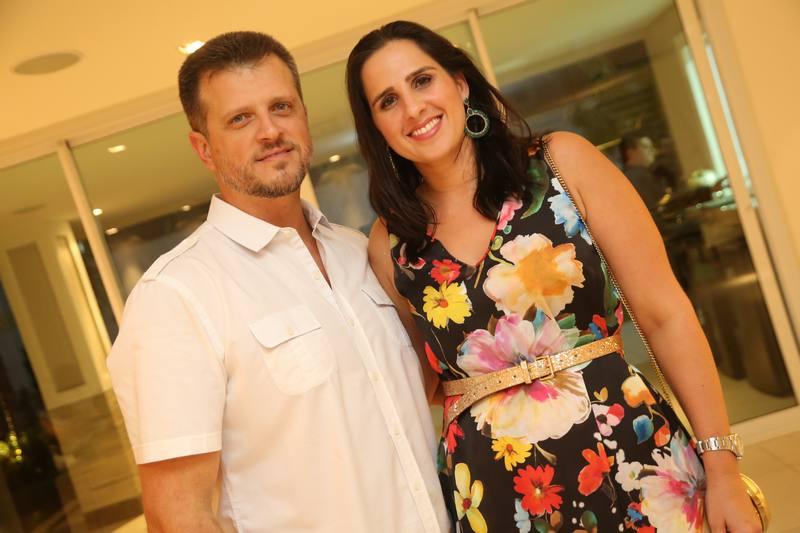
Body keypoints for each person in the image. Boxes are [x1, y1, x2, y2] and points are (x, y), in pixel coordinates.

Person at [345, 20, 761, 533]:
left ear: (460, 83)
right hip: (498, 492)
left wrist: (722, 468)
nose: (412, 109)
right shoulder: (391, 242)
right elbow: (427, 382)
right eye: (387, 101)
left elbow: (665, 315)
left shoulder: (560, 163)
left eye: (422, 81)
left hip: (631, 454)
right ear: (376, 127)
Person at [107, 31, 450, 533]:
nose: (270, 131)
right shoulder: (176, 295)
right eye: (240, 119)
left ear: (304, 117)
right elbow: (177, 514)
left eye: (281, 107)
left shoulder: (360, 252)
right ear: (204, 148)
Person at [619, 132, 668, 209]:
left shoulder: (645, 173)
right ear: (631, 152)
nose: (652, 151)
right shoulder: (636, 178)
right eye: (645, 147)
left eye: (651, 147)